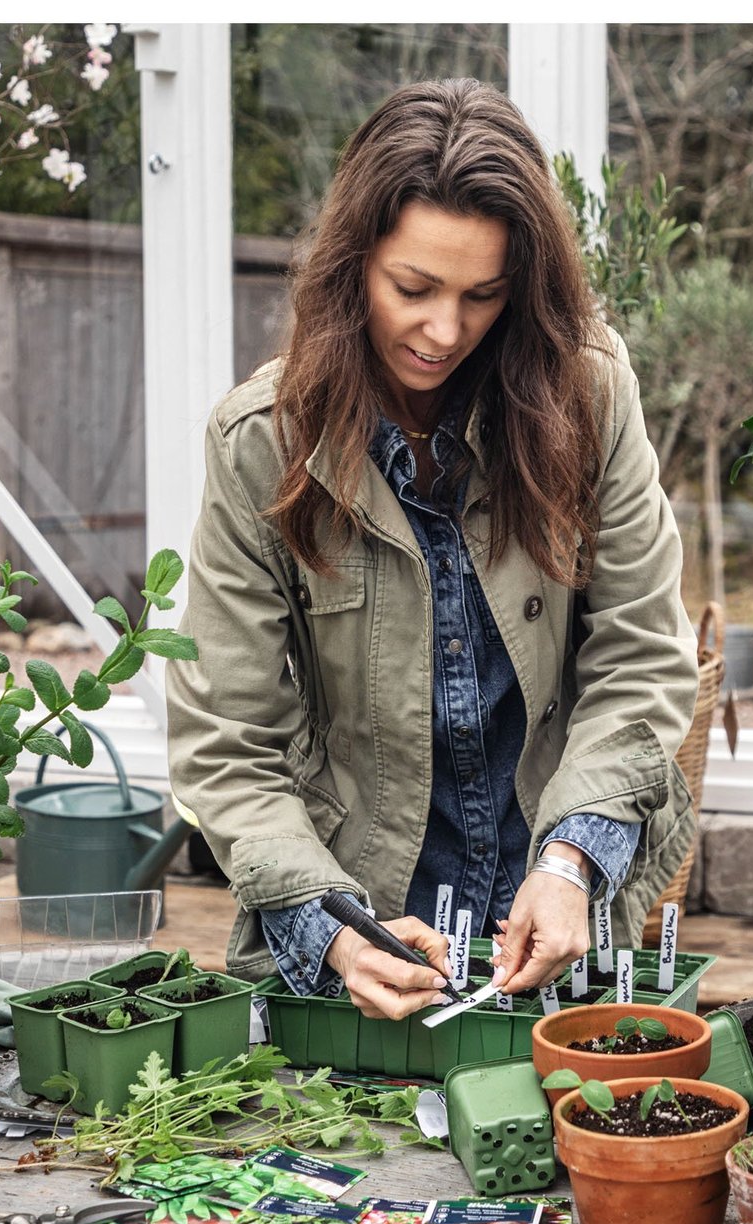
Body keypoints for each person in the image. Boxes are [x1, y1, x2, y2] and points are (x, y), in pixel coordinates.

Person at [166, 79, 697, 1022]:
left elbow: (641, 659)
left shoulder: (589, 394)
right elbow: (228, 741)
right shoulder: (261, 443)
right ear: (352, 264)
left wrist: (574, 861)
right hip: (357, 911)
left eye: (482, 296)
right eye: (413, 289)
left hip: (562, 906)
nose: (445, 331)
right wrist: (329, 926)